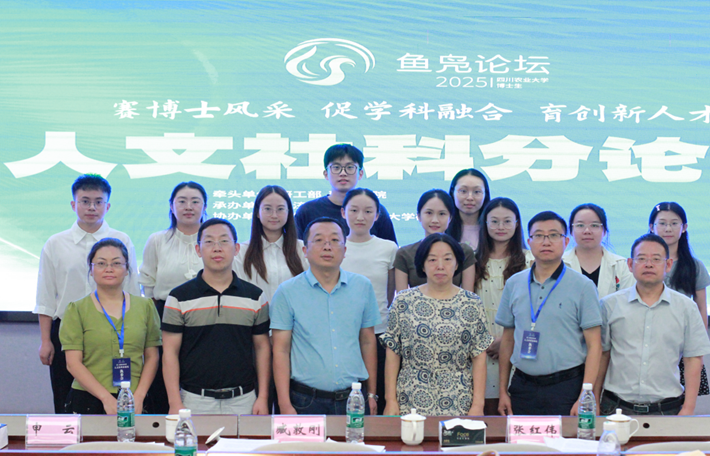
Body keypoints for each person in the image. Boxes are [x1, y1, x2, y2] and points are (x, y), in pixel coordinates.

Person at [34, 174, 139, 414]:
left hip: (113, 331)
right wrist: (45, 340)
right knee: (65, 398)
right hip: (67, 332)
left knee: (116, 399)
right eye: (85, 201)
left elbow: (132, 290)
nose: (92, 207)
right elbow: (46, 296)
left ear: (107, 206)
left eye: (98, 202)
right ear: (74, 204)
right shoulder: (55, 243)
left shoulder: (122, 240)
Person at [496, 211, 602, 416]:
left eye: (554, 235)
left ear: (566, 241)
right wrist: (502, 391)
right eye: (539, 236)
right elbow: (507, 340)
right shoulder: (514, 283)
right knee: (522, 438)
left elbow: (594, 345)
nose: (546, 242)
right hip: (522, 386)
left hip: (566, 387)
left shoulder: (583, 286)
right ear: (529, 241)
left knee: (566, 438)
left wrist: (584, 396)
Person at [271, 217, 380, 415]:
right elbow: (281, 349)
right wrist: (284, 403)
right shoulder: (287, 292)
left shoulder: (363, 286)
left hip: (354, 399)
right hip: (305, 400)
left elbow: (367, 341)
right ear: (305, 250)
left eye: (335, 240)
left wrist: (372, 394)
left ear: (345, 250)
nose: (327, 246)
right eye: (319, 240)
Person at [162, 218, 271, 415]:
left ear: (236, 248)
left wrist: (262, 396)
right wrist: (174, 402)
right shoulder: (178, 297)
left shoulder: (255, 296)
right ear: (198, 249)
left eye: (224, 241)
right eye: (209, 242)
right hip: (193, 399)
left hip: (243, 399)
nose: (217, 248)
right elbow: (170, 352)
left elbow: (262, 348)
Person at [596, 233, 710, 415]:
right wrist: (594, 398)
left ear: (668, 265)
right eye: (641, 258)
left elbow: (693, 359)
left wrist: (689, 407)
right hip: (616, 407)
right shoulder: (610, 305)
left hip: (668, 408)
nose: (648, 264)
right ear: (630, 264)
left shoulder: (686, 307)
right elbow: (602, 355)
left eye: (656, 259)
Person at [381, 233, 493, 416]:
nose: (440, 266)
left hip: (458, 396)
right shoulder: (403, 301)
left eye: (447, 259)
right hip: (411, 395)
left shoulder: (471, 303)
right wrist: (390, 400)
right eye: (432, 259)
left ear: (457, 264)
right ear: (422, 264)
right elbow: (393, 352)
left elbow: (479, 356)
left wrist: (478, 405)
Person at [60, 238, 161, 414]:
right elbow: (73, 363)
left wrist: (139, 396)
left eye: (116, 263)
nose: (109, 269)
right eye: (101, 263)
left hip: (135, 399)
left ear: (127, 269)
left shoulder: (145, 307)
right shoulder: (76, 309)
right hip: (88, 398)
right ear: (91, 269)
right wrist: (106, 398)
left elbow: (152, 356)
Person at [139, 181, 208, 413]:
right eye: (182, 201)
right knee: (163, 377)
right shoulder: (157, 240)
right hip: (164, 316)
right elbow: (147, 283)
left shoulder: (213, 240)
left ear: (204, 206)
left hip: (206, 316)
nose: (189, 207)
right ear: (171, 206)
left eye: (195, 201)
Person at [473, 197, 534, 415]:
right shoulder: (472, 261)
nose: (501, 227)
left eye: (507, 221)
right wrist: (487, 341)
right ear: (485, 224)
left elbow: (534, 310)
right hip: (481, 348)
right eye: (494, 221)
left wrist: (507, 340)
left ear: (517, 224)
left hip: (517, 345)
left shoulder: (530, 261)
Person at [340, 188, 398, 414]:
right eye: (354, 210)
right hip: (344, 334)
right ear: (343, 213)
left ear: (377, 215)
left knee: (377, 400)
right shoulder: (335, 247)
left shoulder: (388, 248)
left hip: (379, 333)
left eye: (368, 211)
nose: (360, 217)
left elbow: (390, 292)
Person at [649, 202, 710, 397]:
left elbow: (701, 307)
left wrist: (698, 344)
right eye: (662, 223)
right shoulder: (642, 263)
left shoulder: (694, 266)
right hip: (648, 339)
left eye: (674, 223)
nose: (668, 229)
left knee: (684, 400)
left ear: (684, 227)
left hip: (682, 343)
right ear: (651, 227)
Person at [294, 144, 397, 244]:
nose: (343, 173)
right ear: (326, 174)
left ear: (360, 174)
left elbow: (389, 250)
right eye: (336, 167)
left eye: (350, 167)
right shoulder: (307, 211)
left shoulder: (373, 211)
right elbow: (297, 250)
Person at [236, 185, 308, 303]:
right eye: (268, 209)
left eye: (280, 209)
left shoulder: (302, 249)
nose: (274, 215)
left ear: (288, 212)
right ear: (257, 212)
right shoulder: (242, 252)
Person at [395, 189, 475, 292]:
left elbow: (468, 296)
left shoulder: (464, 251)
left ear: (450, 218)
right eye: (429, 213)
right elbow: (401, 298)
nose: (435, 220)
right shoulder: (405, 254)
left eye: (442, 214)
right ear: (419, 216)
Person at [563, 203, 634, 298]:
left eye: (594, 225)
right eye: (580, 225)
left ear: (604, 231)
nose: (587, 231)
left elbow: (627, 301)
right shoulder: (559, 264)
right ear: (571, 231)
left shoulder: (621, 266)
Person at [446, 169, 491, 250]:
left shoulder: (494, 228)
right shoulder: (443, 227)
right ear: (453, 193)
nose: (470, 198)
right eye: (463, 191)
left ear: (485, 195)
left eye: (477, 192)